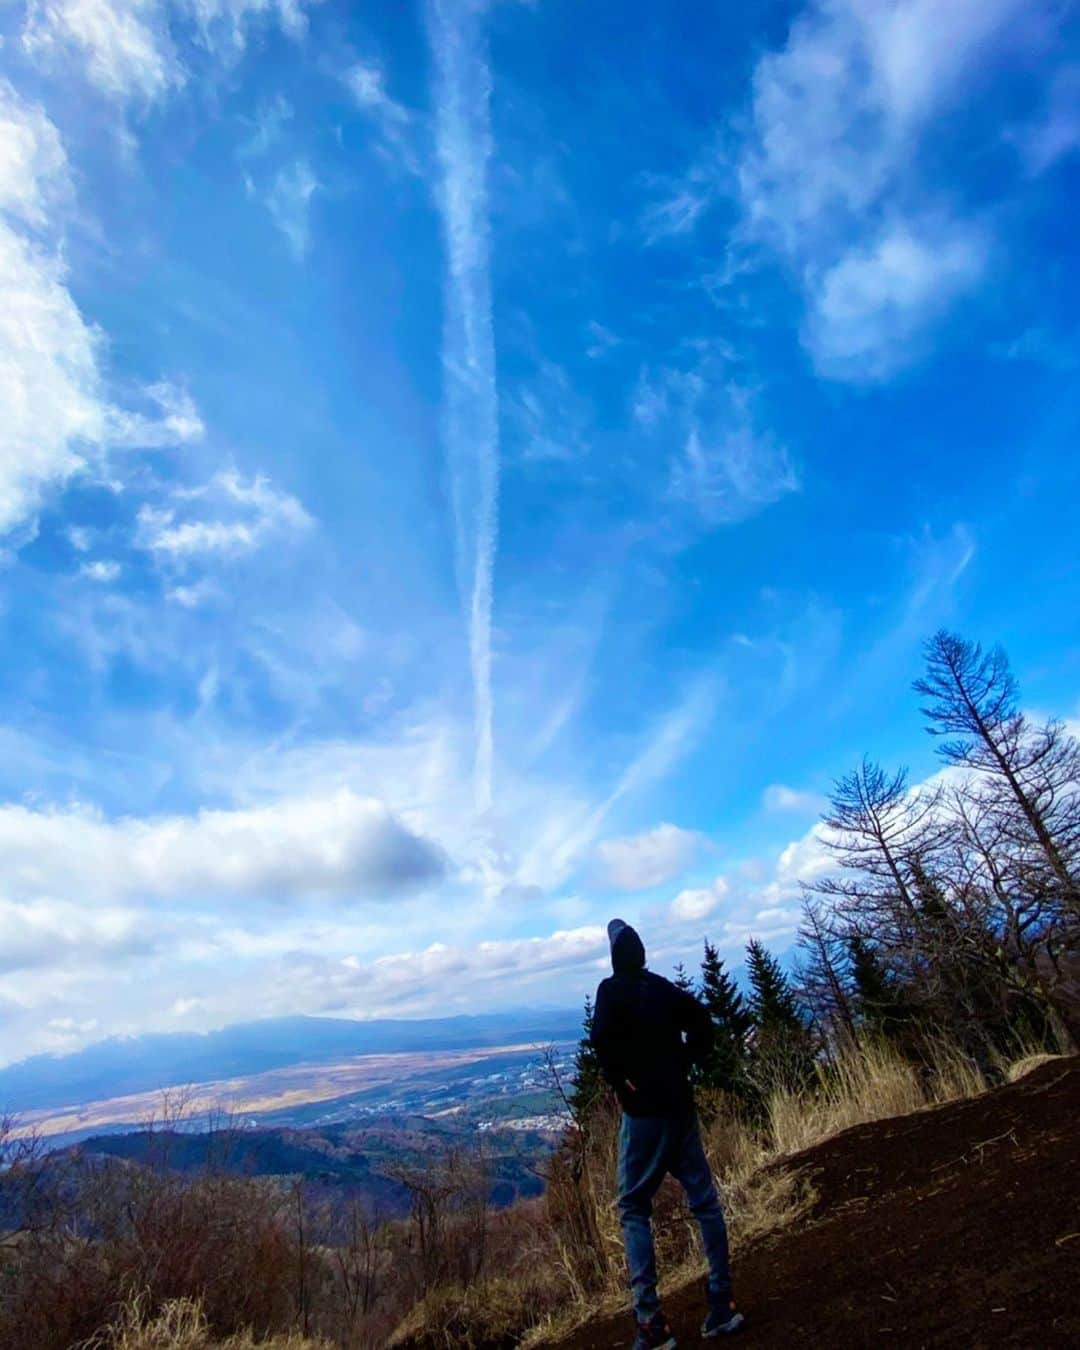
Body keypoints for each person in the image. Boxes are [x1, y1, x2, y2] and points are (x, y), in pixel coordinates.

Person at [591, 918, 744, 1350]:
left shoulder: (610, 991)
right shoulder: (660, 988)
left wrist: (623, 1084)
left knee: (633, 1207)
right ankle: (722, 1304)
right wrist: (683, 1062)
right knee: (705, 1201)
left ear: (613, 955)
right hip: (681, 1108)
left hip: (644, 1117)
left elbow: (602, 1043)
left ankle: (652, 1325)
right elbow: (702, 1023)